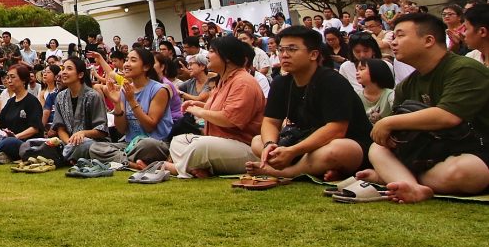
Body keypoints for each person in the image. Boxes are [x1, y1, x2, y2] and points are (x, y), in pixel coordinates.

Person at [365, 12, 489, 203]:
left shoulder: (464, 69)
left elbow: (448, 116)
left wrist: (389, 121)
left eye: (400, 35)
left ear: (429, 40)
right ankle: (414, 188)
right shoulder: (406, 85)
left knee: (467, 172)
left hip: (475, 149)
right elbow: (398, 134)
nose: (393, 42)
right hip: (432, 153)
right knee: (378, 148)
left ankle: (394, 178)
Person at [245, 26, 369, 181]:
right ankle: (313, 168)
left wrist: (292, 151)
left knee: (337, 150)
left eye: (292, 49)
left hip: (345, 143)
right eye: (281, 49)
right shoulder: (281, 83)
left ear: (313, 54)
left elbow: (336, 130)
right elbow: (270, 121)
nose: (284, 55)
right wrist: (270, 144)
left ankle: (286, 172)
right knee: (258, 141)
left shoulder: (332, 81)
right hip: (303, 142)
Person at [164, 36, 265, 178]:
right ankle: (196, 168)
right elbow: (222, 110)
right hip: (220, 143)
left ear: (227, 57)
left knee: (200, 146)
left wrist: (200, 111)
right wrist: (200, 105)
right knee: (178, 141)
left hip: (244, 147)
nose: (207, 55)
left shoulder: (243, 82)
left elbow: (229, 119)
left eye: (212, 51)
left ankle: (178, 168)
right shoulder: (223, 80)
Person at [92, 46, 173, 167]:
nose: (126, 64)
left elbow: (150, 126)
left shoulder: (159, 89)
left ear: (146, 67)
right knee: (95, 147)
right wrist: (116, 103)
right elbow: (122, 129)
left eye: (133, 60)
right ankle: (132, 163)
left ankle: (122, 160)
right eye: (127, 60)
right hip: (130, 144)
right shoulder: (126, 89)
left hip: (154, 143)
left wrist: (132, 101)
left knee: (147, 145)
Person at [21, 57, 106, 165]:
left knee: (84, 145)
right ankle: (63, 156)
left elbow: (101, 131)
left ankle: (57, 157)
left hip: (91, 143)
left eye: (69, 68)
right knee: (28, 144)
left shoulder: (93, 96)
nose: (63, 72)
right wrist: (69, 143)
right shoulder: (60, 97)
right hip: (68, 143)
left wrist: (83, 133)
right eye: (63, 68)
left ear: (80, 74)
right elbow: (60, 128)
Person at [356, 58, 395, 123]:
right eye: (357, 70)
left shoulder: (390, 94)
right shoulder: (357, 96)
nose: (357, 73)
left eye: (362, 69)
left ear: (376, 71)